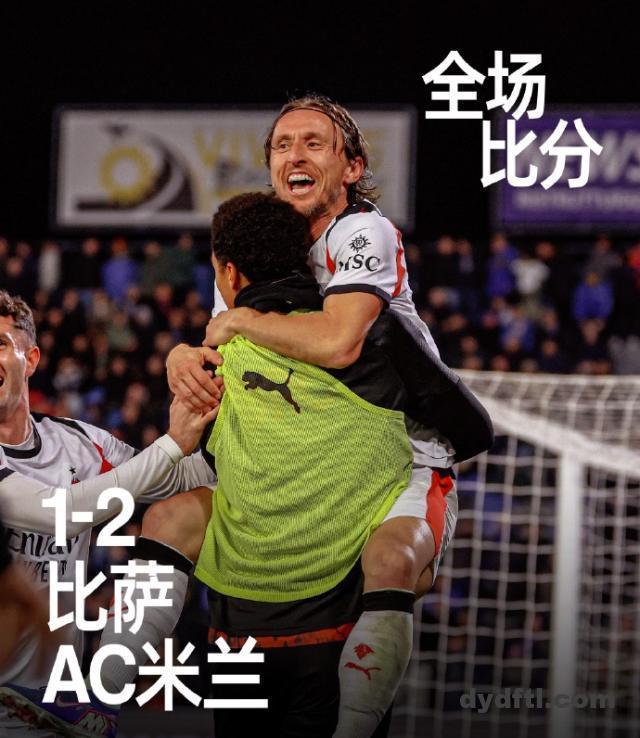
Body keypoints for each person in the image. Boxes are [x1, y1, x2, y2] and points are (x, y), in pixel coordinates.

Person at [2, 193, 491, 738]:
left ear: (228, 274)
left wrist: (177, 427)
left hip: (246, 632)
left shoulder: (224, 359)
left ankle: (100, 693)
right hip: (334, 620)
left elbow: (172, 473)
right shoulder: (365, 337)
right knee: (391, 560)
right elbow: (471, 427)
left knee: (170, 516)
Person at [168, 95, 471, 737]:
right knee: (170, 517)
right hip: (307, 464)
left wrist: (241, 321)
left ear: (352, 167)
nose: (294, 155)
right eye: (282, 145)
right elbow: (220, 347)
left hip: (400, 457)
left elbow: (337, 342)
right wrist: (182, 357)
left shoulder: (362, 232)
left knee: (391, 563)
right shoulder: (263, 244)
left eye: (313, 143)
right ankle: (104, 694)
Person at [0, 289, 218, 735]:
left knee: (179, 514)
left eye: (0, 345)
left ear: (32, 359)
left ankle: (102, 692)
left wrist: (219, 420)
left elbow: (173, 478)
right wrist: (172, 444)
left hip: (62, 714)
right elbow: (61, 513)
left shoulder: (79, 443)